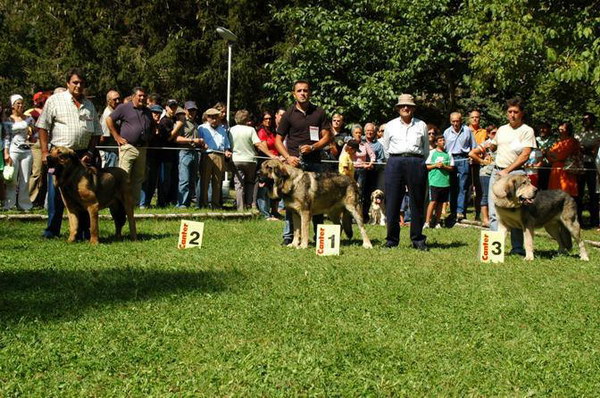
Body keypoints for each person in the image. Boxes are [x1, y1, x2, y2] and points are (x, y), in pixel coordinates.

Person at [37, 68, 102, 239]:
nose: (78, 86)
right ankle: (52, 230)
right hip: (59, 155)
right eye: (75, 82)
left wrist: (90, 151)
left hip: (81, 156)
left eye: (81, 83)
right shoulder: (55, 100)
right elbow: (42, 126)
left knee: (83, 193)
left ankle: (82, 232)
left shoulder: (89, 105)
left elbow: (96, 132)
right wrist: (45, 151)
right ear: (68, 83)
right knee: (56, 193)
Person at [275, 80, 332, 246]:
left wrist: (313, 147)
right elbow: (278, 140)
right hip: (294, 165)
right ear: (294, 94)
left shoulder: (319, 112)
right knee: (291, 202)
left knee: (317, 200)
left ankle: (320, 237)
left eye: (305, 90)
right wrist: (287, 157)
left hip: (315, 163)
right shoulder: (288, 114)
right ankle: (289, 236)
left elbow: (327, 137)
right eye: (299, 91)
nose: (302, 93)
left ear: (310, 93)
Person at [487, 97, 536, 256]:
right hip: (497, 173)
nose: (512, 115)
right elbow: (493, 145)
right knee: (494, 211)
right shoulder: (501, 129)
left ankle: (517, 248)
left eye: (516, 112)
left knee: (515, 212)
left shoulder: (527, 130)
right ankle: (495, 251)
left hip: (516, 175)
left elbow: (525, 155)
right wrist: (485, 149)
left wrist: (507, 171)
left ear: (521, 113)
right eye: (510, 112)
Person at [381, 93, 429, 250]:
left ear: (413, 109)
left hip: (416, 161)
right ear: (398, 109)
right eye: (402, 106)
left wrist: (417, 160)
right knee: (392, 201)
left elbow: (426, 149)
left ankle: (417, 239)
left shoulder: (422, 125)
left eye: (409, 106)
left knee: (417, 201)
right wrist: (397, 159)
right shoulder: (390, 125)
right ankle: (392, 240)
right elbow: (386, 149)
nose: (406, 108)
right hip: (395, 161)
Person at [106, 87, 154, 208]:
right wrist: (117, 137)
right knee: (123, 177)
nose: (142, 98)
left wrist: (148, 137)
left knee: (138, 178)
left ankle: (134, 205)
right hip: (128, 147)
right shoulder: (124, 107)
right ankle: (119, 205)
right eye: (140, 96)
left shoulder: (148, 111)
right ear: (133, 96)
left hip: (142, 149)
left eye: (144, 96)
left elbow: (152, 127)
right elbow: (109, 119)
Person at [230, 109, 274, 211]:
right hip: (250, 160)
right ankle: (249, 205)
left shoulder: (231, 130)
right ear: (247, 119)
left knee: (239, 184)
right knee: (250, 183)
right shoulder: (251, 130)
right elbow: (258, 144)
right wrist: (270, 155)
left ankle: (240, 208)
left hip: (236, 159)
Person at [141, 100, 182, 208]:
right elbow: (168, 137)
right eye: (154, 112)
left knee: (160, 181)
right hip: (149, 156)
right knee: (148, 181)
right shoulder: (150, 124)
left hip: (160, 156)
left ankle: (158, 203)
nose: (156, 115)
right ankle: (144, 203)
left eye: (158, 113)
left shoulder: (161, 124)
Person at [443, 112, 477, 223]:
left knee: (463, 186)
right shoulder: (446, 132)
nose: (455, 123)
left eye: (457, 121)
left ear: (461, 120)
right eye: (453, 121)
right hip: (451, 159)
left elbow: (474, 146)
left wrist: (472, 157)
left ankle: (461, 211)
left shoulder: (467, 130)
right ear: (450, 121)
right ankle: (453, 211)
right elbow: (444, 148)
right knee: (452, 187)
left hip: (464, 159)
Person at [3, 94, 34, 211]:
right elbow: (6, 138)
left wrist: (33, 136)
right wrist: (6, 153)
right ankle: (9, 204)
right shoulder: (8, 120)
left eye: (22, 103)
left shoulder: (28, 118)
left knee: (25, 178)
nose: (20, 106)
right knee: (12, 178)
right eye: (18, 104)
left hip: (26, 150)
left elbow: (35, 133)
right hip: (13, 150)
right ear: (13, 106)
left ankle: (24, 205)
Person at [198, 107, 232, 209]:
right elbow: (197, 142)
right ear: (207, 118)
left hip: (220, 156)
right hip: (207, 155)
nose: (214, 120)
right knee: (205, 181)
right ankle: (203, 204)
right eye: (211, 117)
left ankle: (215, 204)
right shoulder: (201, 128)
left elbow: (226, 145)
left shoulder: (222, 130)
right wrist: (201, 145)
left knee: (217, 182)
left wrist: (227, 152)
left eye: (216, 117)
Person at [175, 101, 205, 208]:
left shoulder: (196, 124)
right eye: (190, 110)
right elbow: (177, 138)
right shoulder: (181, 122)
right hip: (184, 152)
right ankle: (182, 204)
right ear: (185, 110)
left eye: (194, 110)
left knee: (192, 180)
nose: (192, 112)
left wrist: (201, 143)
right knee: (184, 180)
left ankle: (188, 202)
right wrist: (193, 140)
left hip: (195, 153)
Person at [469, 125, 497, 227]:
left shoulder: (501, 143)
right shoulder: (486, 143)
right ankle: (485, 219)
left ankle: (494, 218)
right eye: (493, 133)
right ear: (488, 134)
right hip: (486, 173)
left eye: (496, 133)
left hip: (497, 172)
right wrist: (481, 161)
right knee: (485, 195)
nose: (495, 135)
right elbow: (472, 153)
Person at [575, 112, 599, 228]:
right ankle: (578, 220)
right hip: (580, 164)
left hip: (592, 165)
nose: (585, 121)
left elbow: (594, 151)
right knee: (578, 193)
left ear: (593, 120)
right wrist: (586, 149)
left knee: (593, 194)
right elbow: (576, 149)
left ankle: (594, 221)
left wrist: (585, 149)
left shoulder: (597, 134)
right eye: (583, 119)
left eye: (587, 119)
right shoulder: (578, 134)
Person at [26, 91, 50, 208]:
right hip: (36, 144)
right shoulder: (32, 113)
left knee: (46, 174)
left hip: (49, 144)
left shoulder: (49, 112)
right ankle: (29, 199)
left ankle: (40, 200)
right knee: (37, 172)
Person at [424, 135, 454, 228]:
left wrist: (444, 166)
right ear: (436, 143)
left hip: (445, 182)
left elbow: (452, 167)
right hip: (434, 181)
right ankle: (427, 222)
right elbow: (426, 166)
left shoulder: (448, 153)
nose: (443, 142)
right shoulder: (432, 153)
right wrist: (435, 165)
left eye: (444, 140)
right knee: (433, 202)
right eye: (440, 140)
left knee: (441, 203)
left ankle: (437, 222)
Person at [256, 111, 282, 220]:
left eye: (270, 119)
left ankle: (275, 211)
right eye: (266, 119)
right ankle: (265, 213)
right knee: (264, 188)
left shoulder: (272, 131)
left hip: (275, 162)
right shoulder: (261, 131)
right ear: (262, 120)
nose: (268, 121)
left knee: (275, 187)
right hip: (265, 163)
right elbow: (262, 146)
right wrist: (271, 156)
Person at [547, 122, 580, 198]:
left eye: (562, 129)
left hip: (566, 171)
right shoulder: (558, 142)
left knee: (565, 194)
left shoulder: (572, 141)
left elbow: (561, 157)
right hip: (555, 171)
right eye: (559, 130)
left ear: (568, 130)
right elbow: (549, 157)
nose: (559, 131)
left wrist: (551, 154)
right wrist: (551, 155)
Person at [468, 109, 487, 221]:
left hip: (479, 163)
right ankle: (462, 213)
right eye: (473, 117)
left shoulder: (483, 132)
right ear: (469, 119)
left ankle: (478, 213)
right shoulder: (465, 130)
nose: (475, 119)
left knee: (479, 189)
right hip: (467, 163)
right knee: (466, 188)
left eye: (477, 117)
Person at [99, 90, 121, 168]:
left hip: (114, 149)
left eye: (119, 98)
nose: (118, 101)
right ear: (109, 101)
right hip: (110, 150)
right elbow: (103, 137)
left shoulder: (115, 112)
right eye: (115, 99)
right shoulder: (108, 114)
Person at [535, 122, 556, 190]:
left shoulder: (553, 140)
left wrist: (543, 152)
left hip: (548, 166)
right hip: (536, 166)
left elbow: (551, 152)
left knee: (546, 187)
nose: (542, 130)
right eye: (540, 128)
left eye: (544, 128)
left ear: (549, 129)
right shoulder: (535, 139)